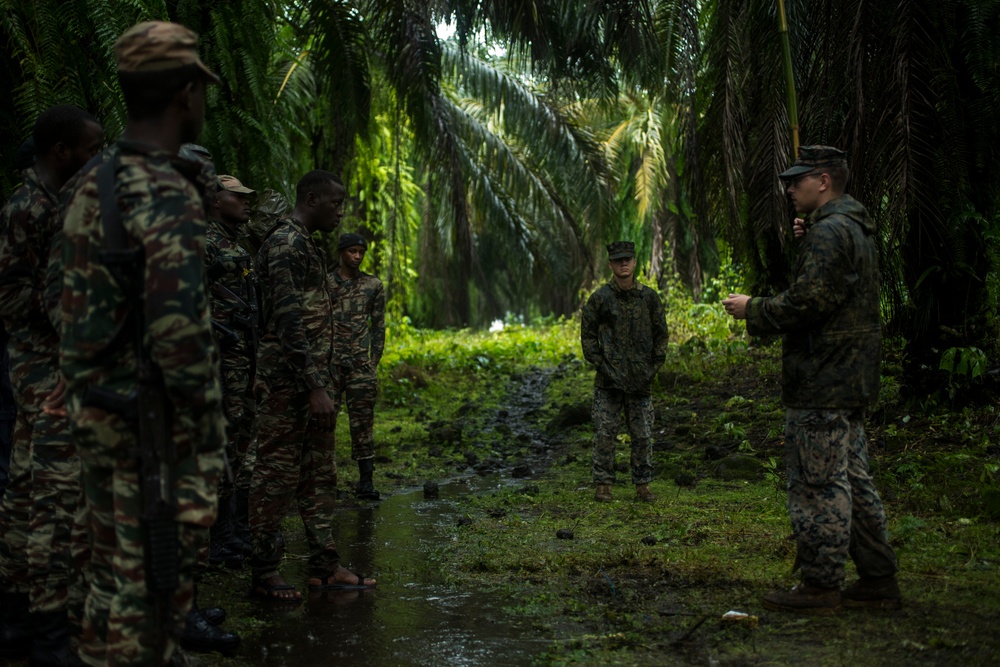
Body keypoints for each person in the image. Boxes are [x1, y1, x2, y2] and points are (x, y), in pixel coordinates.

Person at [59, 21, 228, 665]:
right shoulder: (165, 194)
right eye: (201, 92)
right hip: (153, 439)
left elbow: (57, 301)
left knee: (110, 588)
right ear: (185, 94)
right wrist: (209, 450)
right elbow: (181, 339)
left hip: (99, 420)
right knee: (147, 611)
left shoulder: (90, 186)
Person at [722, 145, 900, 614]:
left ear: (823, 181)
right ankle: (878, 578)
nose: (788, 188)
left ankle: (821, 585)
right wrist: (810, 236)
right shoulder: (851, 228)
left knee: (818, 483)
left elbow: (808, 304)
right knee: (853, 478)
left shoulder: (829, 234)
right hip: (850, 377)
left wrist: (752, 309)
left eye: (796, 180)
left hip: (824, 378)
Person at [0, 105, 103, 664]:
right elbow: (17, 297)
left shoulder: (54, 203)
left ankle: (18, 616)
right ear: (61, 151)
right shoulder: (30, 208)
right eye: (91, 148)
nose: (98, 157)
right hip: (43, 365)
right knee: (53, 499)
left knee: (24, 489)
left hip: (50, 362)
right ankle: (47, 630)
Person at [250, 170, 376, 602]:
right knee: (276, 474)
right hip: (289, 385)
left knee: (320, 474)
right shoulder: (286, 244)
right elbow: (287, 320)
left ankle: (325, 566)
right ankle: (265, 571)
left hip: (313, 384)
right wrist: (312, 385)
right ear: (311, 198)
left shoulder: (306, 243)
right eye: (335, 203)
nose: (340, 212)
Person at [580, 241, 668, 503]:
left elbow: (661, 335)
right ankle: (604, 485)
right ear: (610, 264)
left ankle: (643, 485)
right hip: (608, 381)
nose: (623, 264)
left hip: (640, 380)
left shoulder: (649, 297)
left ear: (634, 261)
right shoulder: (600, 299)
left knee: (642, 434)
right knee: (604, 433)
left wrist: (652, 368)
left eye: (627, 259)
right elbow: (588, 337)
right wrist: (602, 365)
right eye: (618, 260)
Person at [205, 174, 259, 565]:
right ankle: (217, 536)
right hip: (219, 356)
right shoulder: (203, 241)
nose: (245, 202)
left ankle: (233, 527)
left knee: (240, 440)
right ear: (214, 199)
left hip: (243, 354)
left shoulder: (237, 242)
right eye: (236, 196)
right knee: (222, 441)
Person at [330, 232, 385, 500]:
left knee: (363, 423)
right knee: (324, 423)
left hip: (361, 366)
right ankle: (324, 482)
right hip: (330, 364)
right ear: (341, 252)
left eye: (361, 252)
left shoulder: (372, 285)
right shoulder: (325, 283)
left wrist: (373, 360)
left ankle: (366, 482)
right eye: (352, 251)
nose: (357, 256)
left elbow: (379, 326)